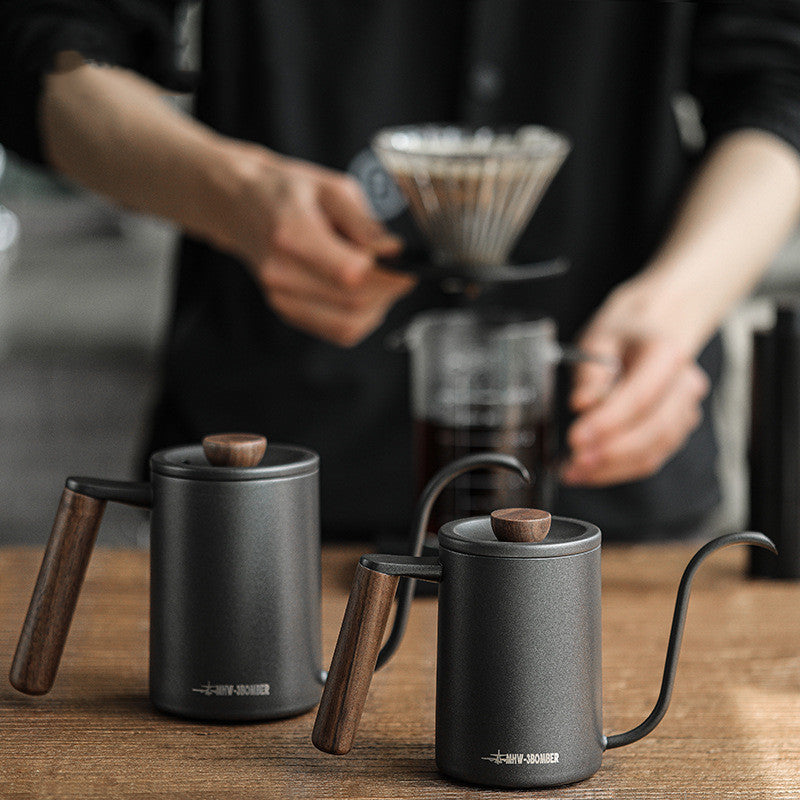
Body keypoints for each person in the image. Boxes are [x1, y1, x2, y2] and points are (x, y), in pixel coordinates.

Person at [1, 1, 800, 541]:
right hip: (267, 485)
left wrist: (678, 305)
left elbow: (782, 77)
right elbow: (38, 45)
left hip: (608, 498)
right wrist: (233, 194)